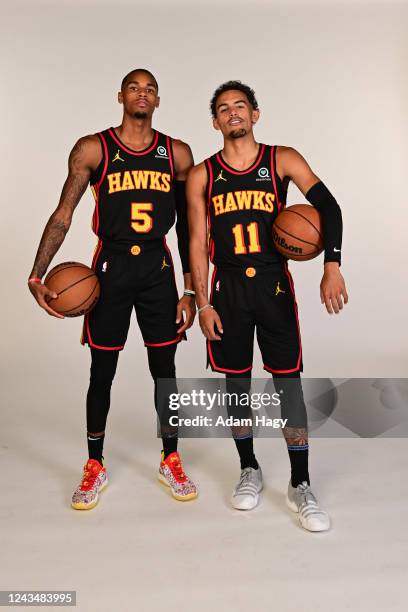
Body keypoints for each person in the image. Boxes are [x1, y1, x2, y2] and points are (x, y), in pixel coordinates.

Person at [28, 68, 198, 509]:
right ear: (120, 95)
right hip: (109, 268)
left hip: (159, 270)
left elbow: (188, 229)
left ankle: (171, 456)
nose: (142, 94)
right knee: (101, 370)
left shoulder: (176, 153)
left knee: (165, 368)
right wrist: (36, 273)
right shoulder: (93, 148)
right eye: (134, 87)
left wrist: (191, 289)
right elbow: (63, 212)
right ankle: (95, 464)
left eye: (150, 89)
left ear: (158, 100)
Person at [187, 80, 348, 531]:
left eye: (240, 106)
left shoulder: (282, 159)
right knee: (235, 383)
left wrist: (331, 264)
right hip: (228, 288)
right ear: (215, 121)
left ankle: (300, 482)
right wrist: (202, 304)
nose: (232, 113)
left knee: (287, 384)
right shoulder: (204, 174)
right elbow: (197, 244)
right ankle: (249, 468)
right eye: (223, 109)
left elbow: (329, 208)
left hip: (274, 286)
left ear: (255, 114)